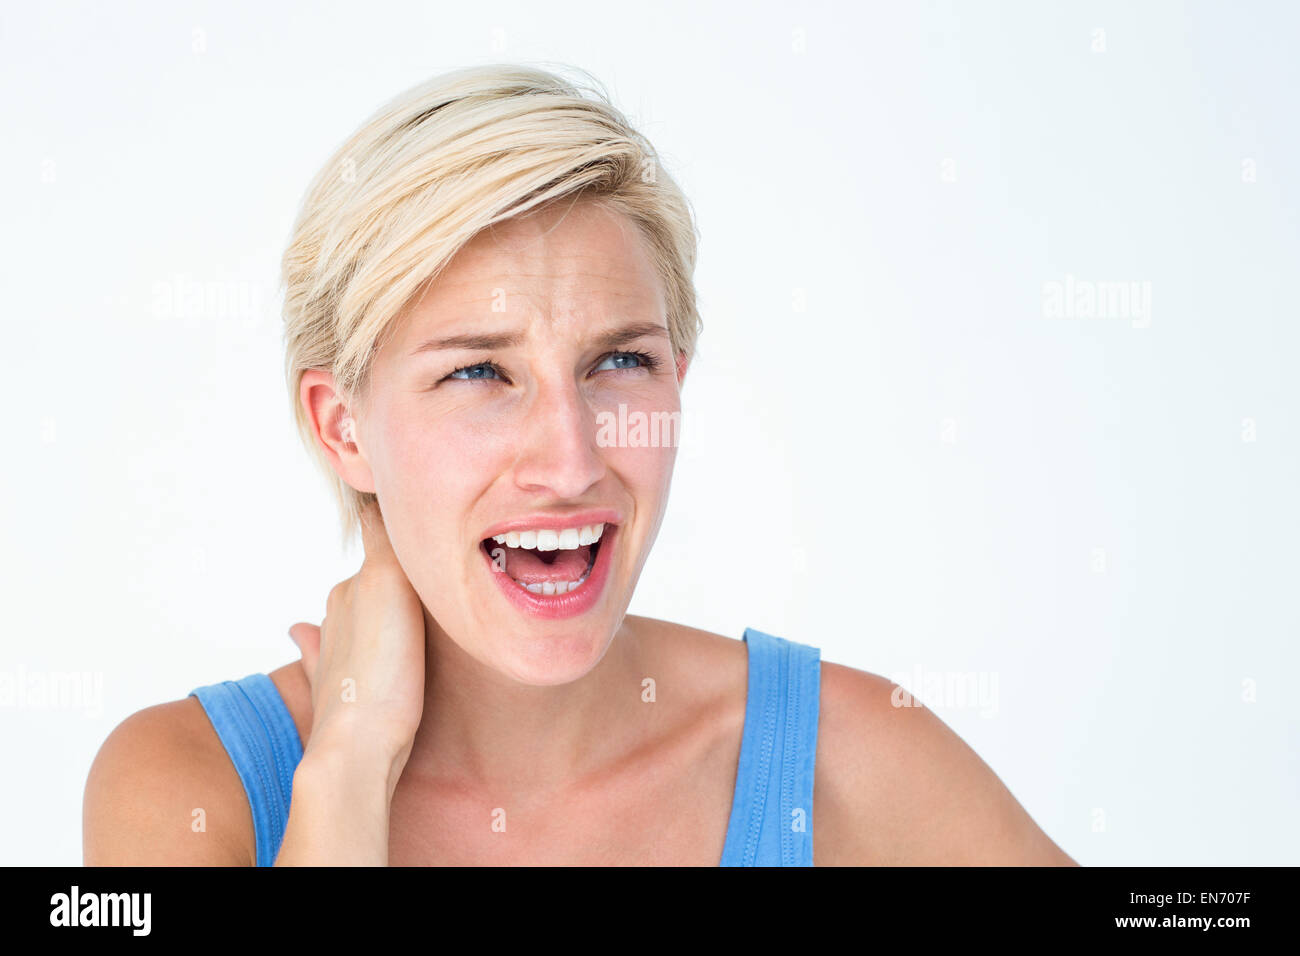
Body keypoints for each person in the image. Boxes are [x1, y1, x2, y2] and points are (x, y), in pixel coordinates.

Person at [83, 63, 1077, 866]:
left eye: (619, 361)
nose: (570, 459)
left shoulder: (849, 760)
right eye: (478, 370)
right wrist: (349, 765)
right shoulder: (188, 784)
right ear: (343, 427)